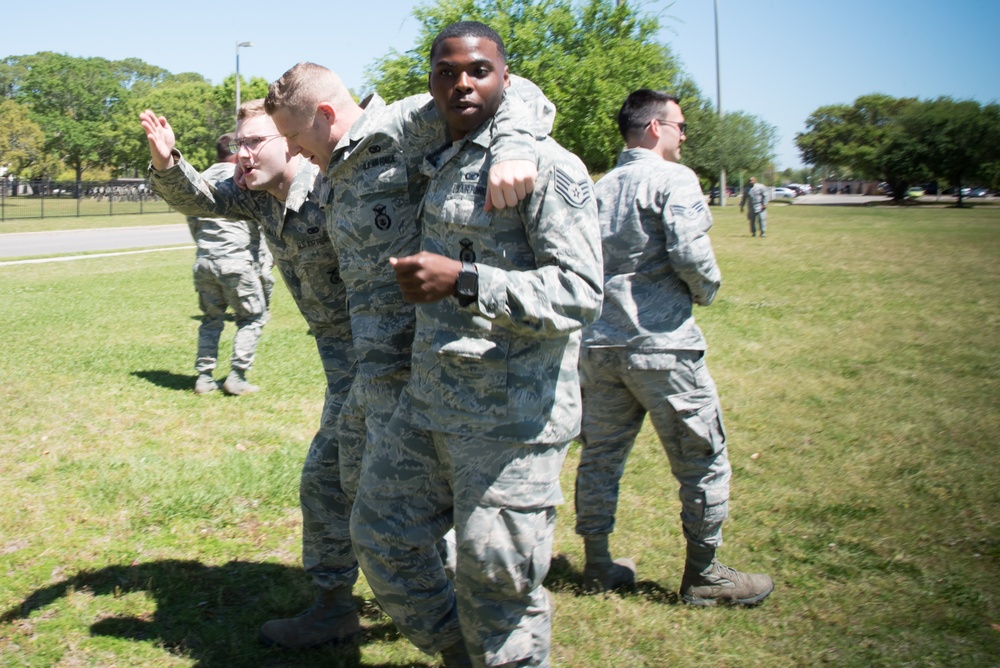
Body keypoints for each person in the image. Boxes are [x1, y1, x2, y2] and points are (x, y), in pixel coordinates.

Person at [259, 61, 551, 652]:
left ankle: (467, 637)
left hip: (427, 366)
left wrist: (515, 149)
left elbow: (521, 94)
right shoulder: (331, 167)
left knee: (420, 517)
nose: (292, 150)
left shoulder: (400, 124)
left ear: (325, 115)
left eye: (294, 137)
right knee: (345, 489)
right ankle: (429, 629)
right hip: (372, 368)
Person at [348, 22, 602, 668]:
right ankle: (465, 656)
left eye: (479, 70)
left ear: (506, 79)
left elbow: (578, 293)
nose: (462, 82)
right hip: (430, 405)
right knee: (381, 538)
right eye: (446, 71)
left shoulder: (548, 166)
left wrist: (464, 282)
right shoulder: (434, 145)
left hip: (509, 422)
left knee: (497, 581)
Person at [141, 101, 362, 647]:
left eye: (253, 142)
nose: (240, 154)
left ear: (292, 140)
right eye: (238, 143)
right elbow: (198, 197)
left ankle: (458, 606)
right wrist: (168, 163)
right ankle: (340, 607)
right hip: (343, 364)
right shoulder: (258, 196)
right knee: (342, 482)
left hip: (391, 361)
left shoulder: (341, 188)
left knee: (378, 485)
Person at [573, 89, 774, 607]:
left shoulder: (598, 188)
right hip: (663, 348)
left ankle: (597, 562)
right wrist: (707, 290)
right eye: (680, 125)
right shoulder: (674, 179)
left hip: (599, 344)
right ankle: (704, 574)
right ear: (654, 128)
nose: (685, 135)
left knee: (600, 457)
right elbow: (691, 254)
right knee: (703, 458)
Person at [181, 134, 270, 395]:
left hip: (205, 261)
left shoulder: (200, 180)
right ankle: (237, 376)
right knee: (253, 316)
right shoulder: (242, 180)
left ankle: (204, 377)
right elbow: (257, 224)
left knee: (211, 319)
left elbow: (193, 221)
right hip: (236, 261)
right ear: (234, 151)